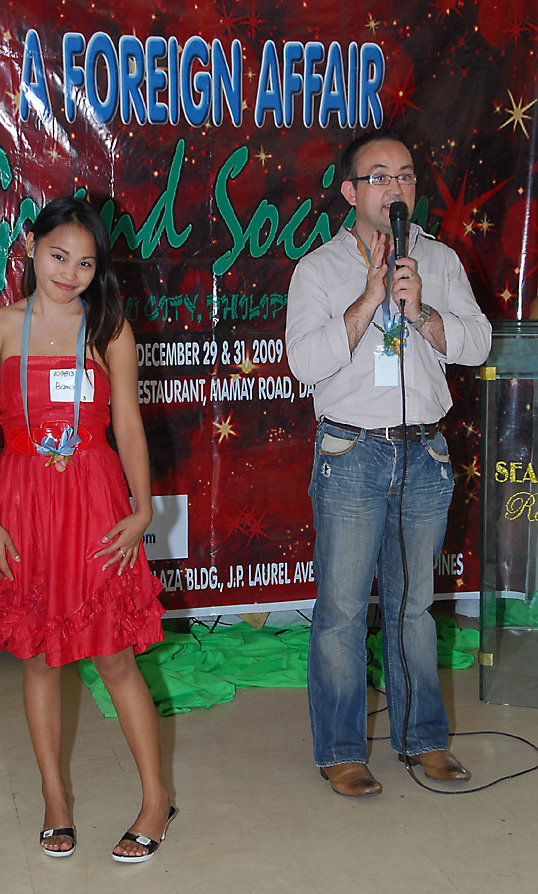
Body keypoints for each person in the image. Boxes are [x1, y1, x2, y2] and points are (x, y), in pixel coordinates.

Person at [0, 196, 176, 861]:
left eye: (85, 263)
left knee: (114, 657)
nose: (70, 273)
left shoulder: (109, 328)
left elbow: (129, 426)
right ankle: (55, 798)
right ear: (31, 246)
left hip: (95, 502)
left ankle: (155, 801)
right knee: (37, 658)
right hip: (23, 504)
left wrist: (142, 509)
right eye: (58, 256)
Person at [285, 132, 492, 797]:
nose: (395, 188)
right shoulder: (318, 270)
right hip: (351, 453)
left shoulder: (439, 259)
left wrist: (420, 311)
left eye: (405, 176)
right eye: (379, 176)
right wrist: (370, 299)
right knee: (343, 610)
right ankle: (342, 750)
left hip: (424, 452)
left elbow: (476, 342)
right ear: (350, 191)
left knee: (413, 607)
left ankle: (423, 738)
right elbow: (304, 363)